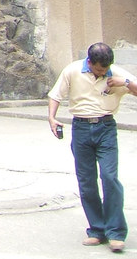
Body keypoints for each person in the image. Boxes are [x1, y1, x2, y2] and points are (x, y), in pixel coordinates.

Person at [48, 42, 137, 252]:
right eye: (98, 69)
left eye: (105, 69)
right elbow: (55, 95)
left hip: (106, 127)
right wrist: (51, 118)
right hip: (81, 127)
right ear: (89, 63)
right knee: (87, 180)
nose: (102, 73)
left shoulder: (115, 74)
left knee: (109, 177)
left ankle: (115, 232)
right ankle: (97, 229)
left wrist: (123, 82)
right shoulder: (73, 70)